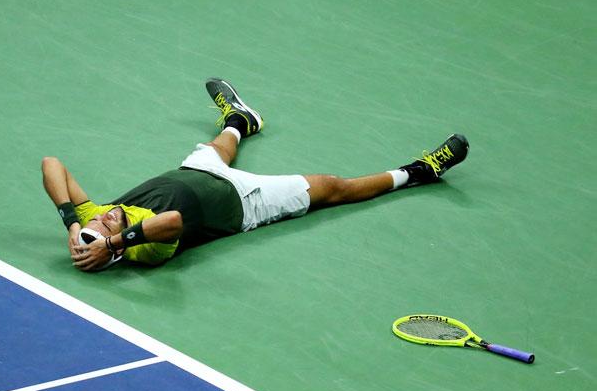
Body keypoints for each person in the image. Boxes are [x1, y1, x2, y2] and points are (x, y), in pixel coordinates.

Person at [42, 78, 469, 271]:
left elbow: (52, 165)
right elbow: (170, 221)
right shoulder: (144, 250)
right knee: (332, 187)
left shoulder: (98, 214)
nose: (102, 218)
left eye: (96, 222)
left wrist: (73, 223)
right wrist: (116, 243)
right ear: (114, 251)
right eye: (100, 229)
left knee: (219, 146)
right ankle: (419, 172)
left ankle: (241, 119)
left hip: (197, 170)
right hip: (247, 202)